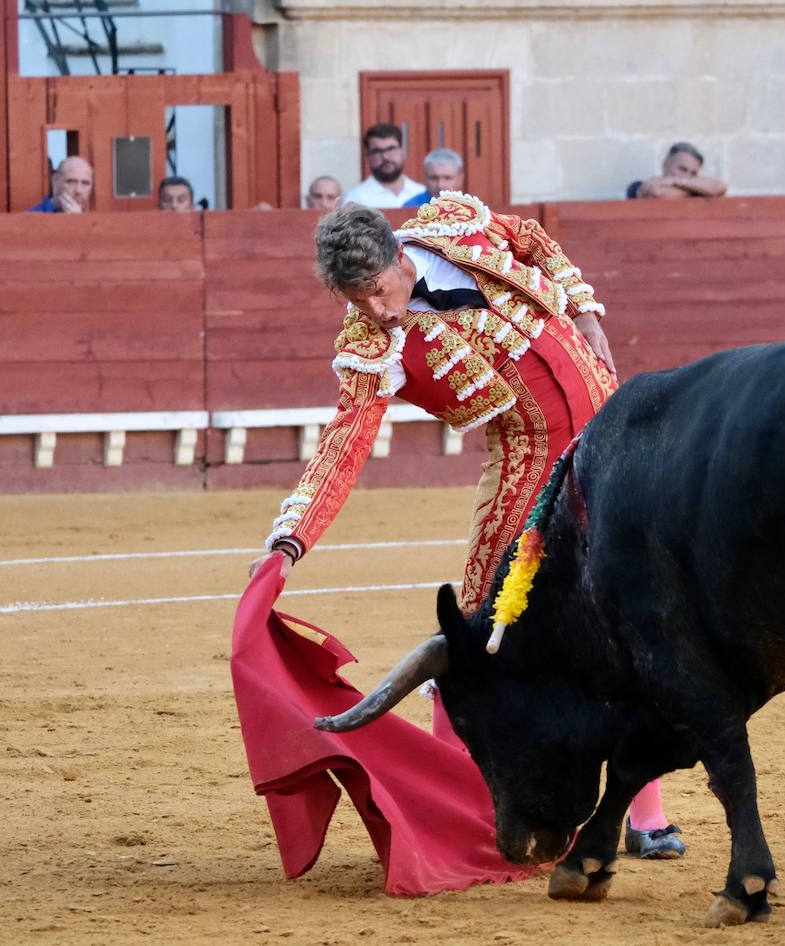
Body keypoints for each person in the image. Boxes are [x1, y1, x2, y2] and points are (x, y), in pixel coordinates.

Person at [247, 195, 687, 859]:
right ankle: (458, 800)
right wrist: (290, 540)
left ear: (400, 257)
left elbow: (532, 239)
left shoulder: (454, 225)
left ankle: (643, 814)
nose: (375, 312)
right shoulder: (371, 347)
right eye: (355, 300)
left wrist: (586, 310)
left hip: (614, 443)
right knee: (481, 631)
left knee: (633, 615)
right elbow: (344, 445)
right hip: (529, 466)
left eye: (376, 291)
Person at [343, 123, 426, 208]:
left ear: (402, 151)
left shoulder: (421, 193)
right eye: (377, 151)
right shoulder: (356, 200)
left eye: (391, 149)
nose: (385, 157)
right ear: (368, 156)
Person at [627, 141, 727, 199]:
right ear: (665, 165)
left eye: (693, 173)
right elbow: (658, 193)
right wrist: (696, 191)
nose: (687, 176)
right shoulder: (637, 186)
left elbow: (720, 187)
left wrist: (675, 181)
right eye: (682, 169)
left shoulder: (690, 186)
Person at [28, 155, 94, 213]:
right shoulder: (31, 217)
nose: (78, 190)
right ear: (55, 181)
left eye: (85, 183)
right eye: (71, 182)